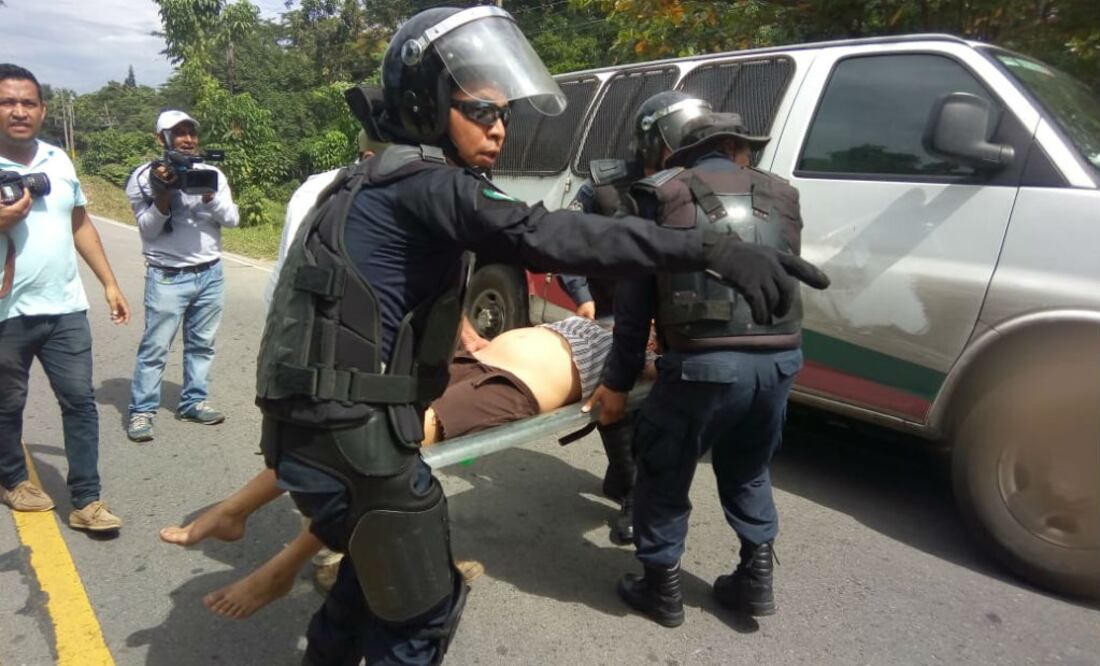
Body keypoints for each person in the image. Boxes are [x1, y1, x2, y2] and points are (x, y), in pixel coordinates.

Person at [257, 6, 826, 664]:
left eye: (503, 114)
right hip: (354, 444)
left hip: (320, 435)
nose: (498, 128)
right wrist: (708, 248)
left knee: (363, 588)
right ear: (424, 103)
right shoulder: (428, 185)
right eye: (480, 111)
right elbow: (547, 233)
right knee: (421, 616)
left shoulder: (370, 179)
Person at [161, 314, 652, 619]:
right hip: (476, 360)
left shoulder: (640, 356)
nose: (650, 324)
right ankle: (234, 510)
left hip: (514, 388)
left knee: (375, 451)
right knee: (343, 429)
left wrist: (651, 356)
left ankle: (280, 569)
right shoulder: (606, 322)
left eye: (656, 327)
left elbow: (654, 380)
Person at [585, 94, 817, 628]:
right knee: (749, 469)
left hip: (702, 368)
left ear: (686, 152)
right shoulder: (782, 194)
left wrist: (617, 383)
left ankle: (660, 588)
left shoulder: (660, 194)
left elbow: (633, 309)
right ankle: (755, 579)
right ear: (738, 149)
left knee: (664, 470)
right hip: (780, 362)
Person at [0, 63, 130, 531]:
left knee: (80, 402)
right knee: (6, 404)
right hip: (5, 313)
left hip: (65, 309)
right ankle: (13, 479)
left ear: (42, 110)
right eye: (7, 102)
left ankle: (87, 500)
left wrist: (109, 283)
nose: (19, 111)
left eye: (28, 103)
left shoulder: (59, 160)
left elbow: (79, 223)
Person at [124, 110, 239, 442]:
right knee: (155, 348)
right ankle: (142, 411)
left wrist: (210, 197)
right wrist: (163, 196)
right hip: (167, 276)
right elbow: (148, 230)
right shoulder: (144, 178)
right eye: (179, 133)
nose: (187, 139)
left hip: (210, 273)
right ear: (161, 138)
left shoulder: (211, 174)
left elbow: (232, 219)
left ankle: (193, 402)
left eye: (191, 132)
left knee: (202, 345)